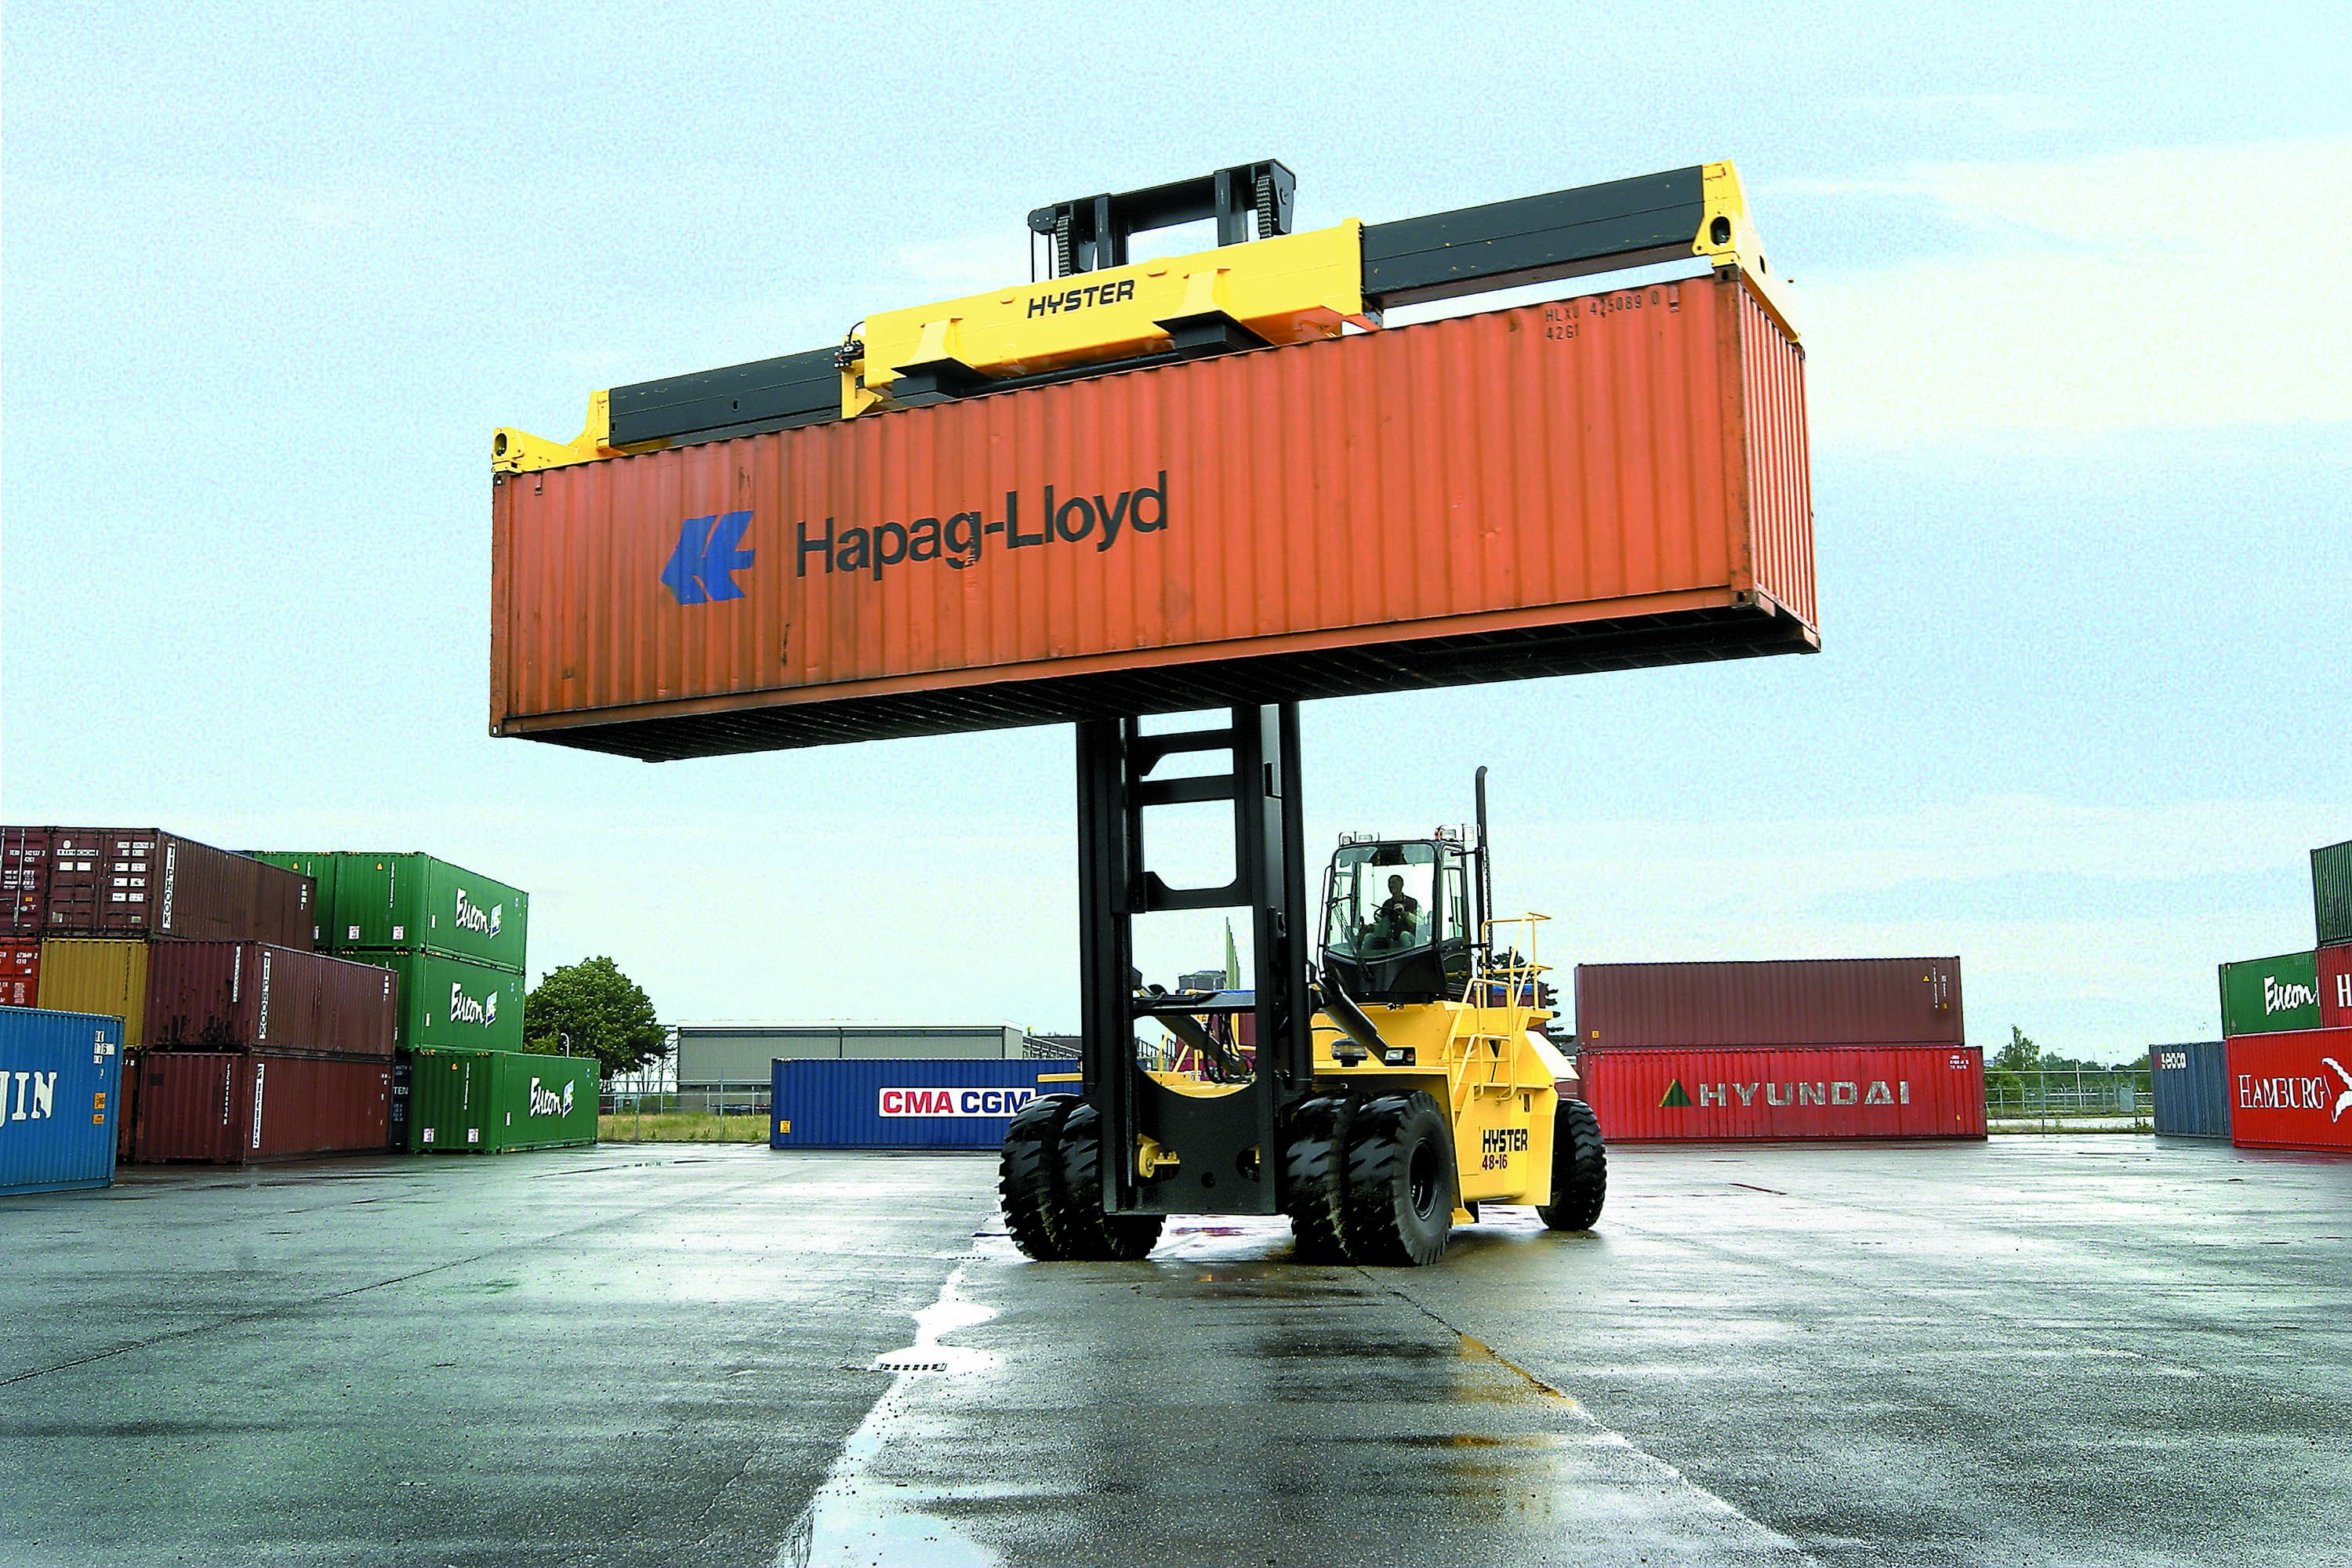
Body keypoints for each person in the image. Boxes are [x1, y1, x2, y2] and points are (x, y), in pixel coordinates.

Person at [1374, 874, 1421, 942]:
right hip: (1390, 936)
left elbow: (1420, 922)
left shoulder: (1412, 903)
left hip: (1409, 937)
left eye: (1394, 883)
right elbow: (1381, 920)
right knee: (1368, 937)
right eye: (1389, 883)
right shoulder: (1387, 904)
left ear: (1401, 885)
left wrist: (1405, 914)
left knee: (1404, 936)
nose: (1391, 885)